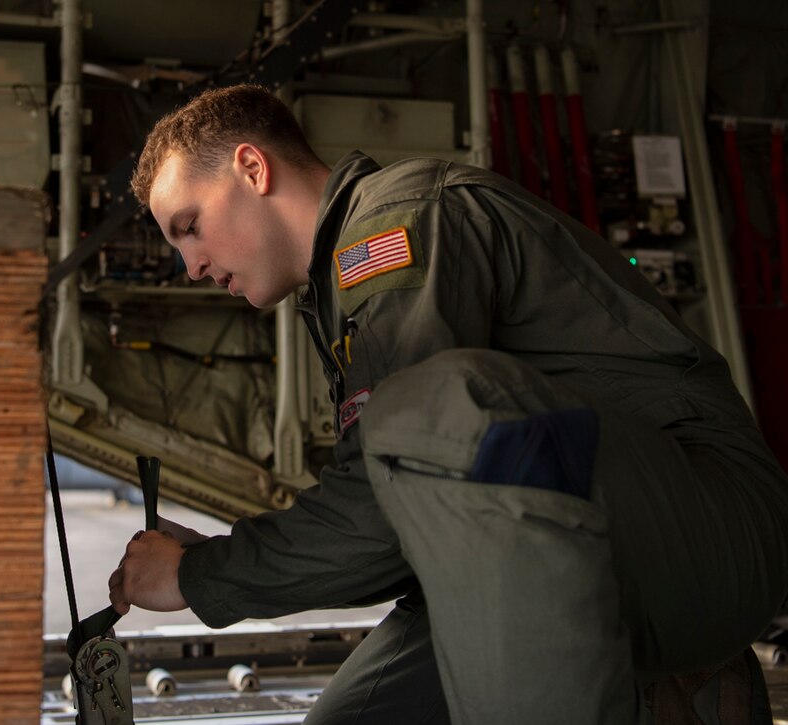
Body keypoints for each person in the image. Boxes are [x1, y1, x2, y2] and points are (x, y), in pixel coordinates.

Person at [108, 84, 788, 723]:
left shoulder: (396, 222)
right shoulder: (335, 291)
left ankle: (675, 679)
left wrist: (200, 576)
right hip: (587, 524)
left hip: (707, 524)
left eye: (189, 226)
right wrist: (222, 561)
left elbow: (381, 506)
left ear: (252, 168)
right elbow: (402, 517)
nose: (190, 266)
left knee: (424, 407)